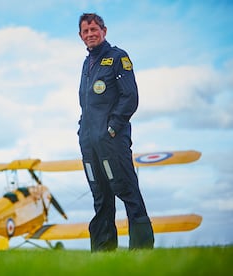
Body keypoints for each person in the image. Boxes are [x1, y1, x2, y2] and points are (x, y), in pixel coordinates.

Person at [77, 13, 154, 252]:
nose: (90, 34)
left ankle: (142, 252)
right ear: (81, 36)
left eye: (94, 29)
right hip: (90, 143)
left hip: (112, 141)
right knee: (101, 198)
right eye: (85, 31)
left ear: (104, 30)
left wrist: (111, 129)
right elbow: (86, 104)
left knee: (128, 192)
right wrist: (83, 131)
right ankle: (103, 254)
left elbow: (130, 97)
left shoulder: (118, 57)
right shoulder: (87, 64)